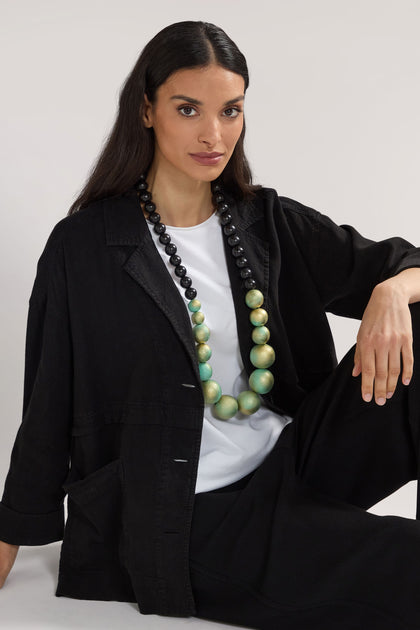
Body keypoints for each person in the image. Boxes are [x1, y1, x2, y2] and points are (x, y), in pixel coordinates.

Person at [1, 19, 420, 630]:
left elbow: (409, 265)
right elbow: (46, 402)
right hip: (184, 513)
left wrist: (390, 290)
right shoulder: (86, 246)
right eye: (189, 108)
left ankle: (312, 524)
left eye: (230, 111)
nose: (213, 133)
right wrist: (11, 541)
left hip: (293, 465)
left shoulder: (263, 220)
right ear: (146, 110)